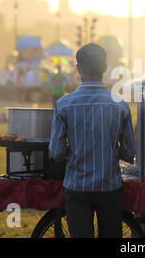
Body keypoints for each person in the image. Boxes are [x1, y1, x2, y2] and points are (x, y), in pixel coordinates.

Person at [49, 43, 136, 238]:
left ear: (78, 68)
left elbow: (56, 152)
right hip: (110, 187)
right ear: (105, 67)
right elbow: (130, 152)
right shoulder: (119, 105)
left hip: (76, 187)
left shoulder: (64, 104)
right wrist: (112, 150)